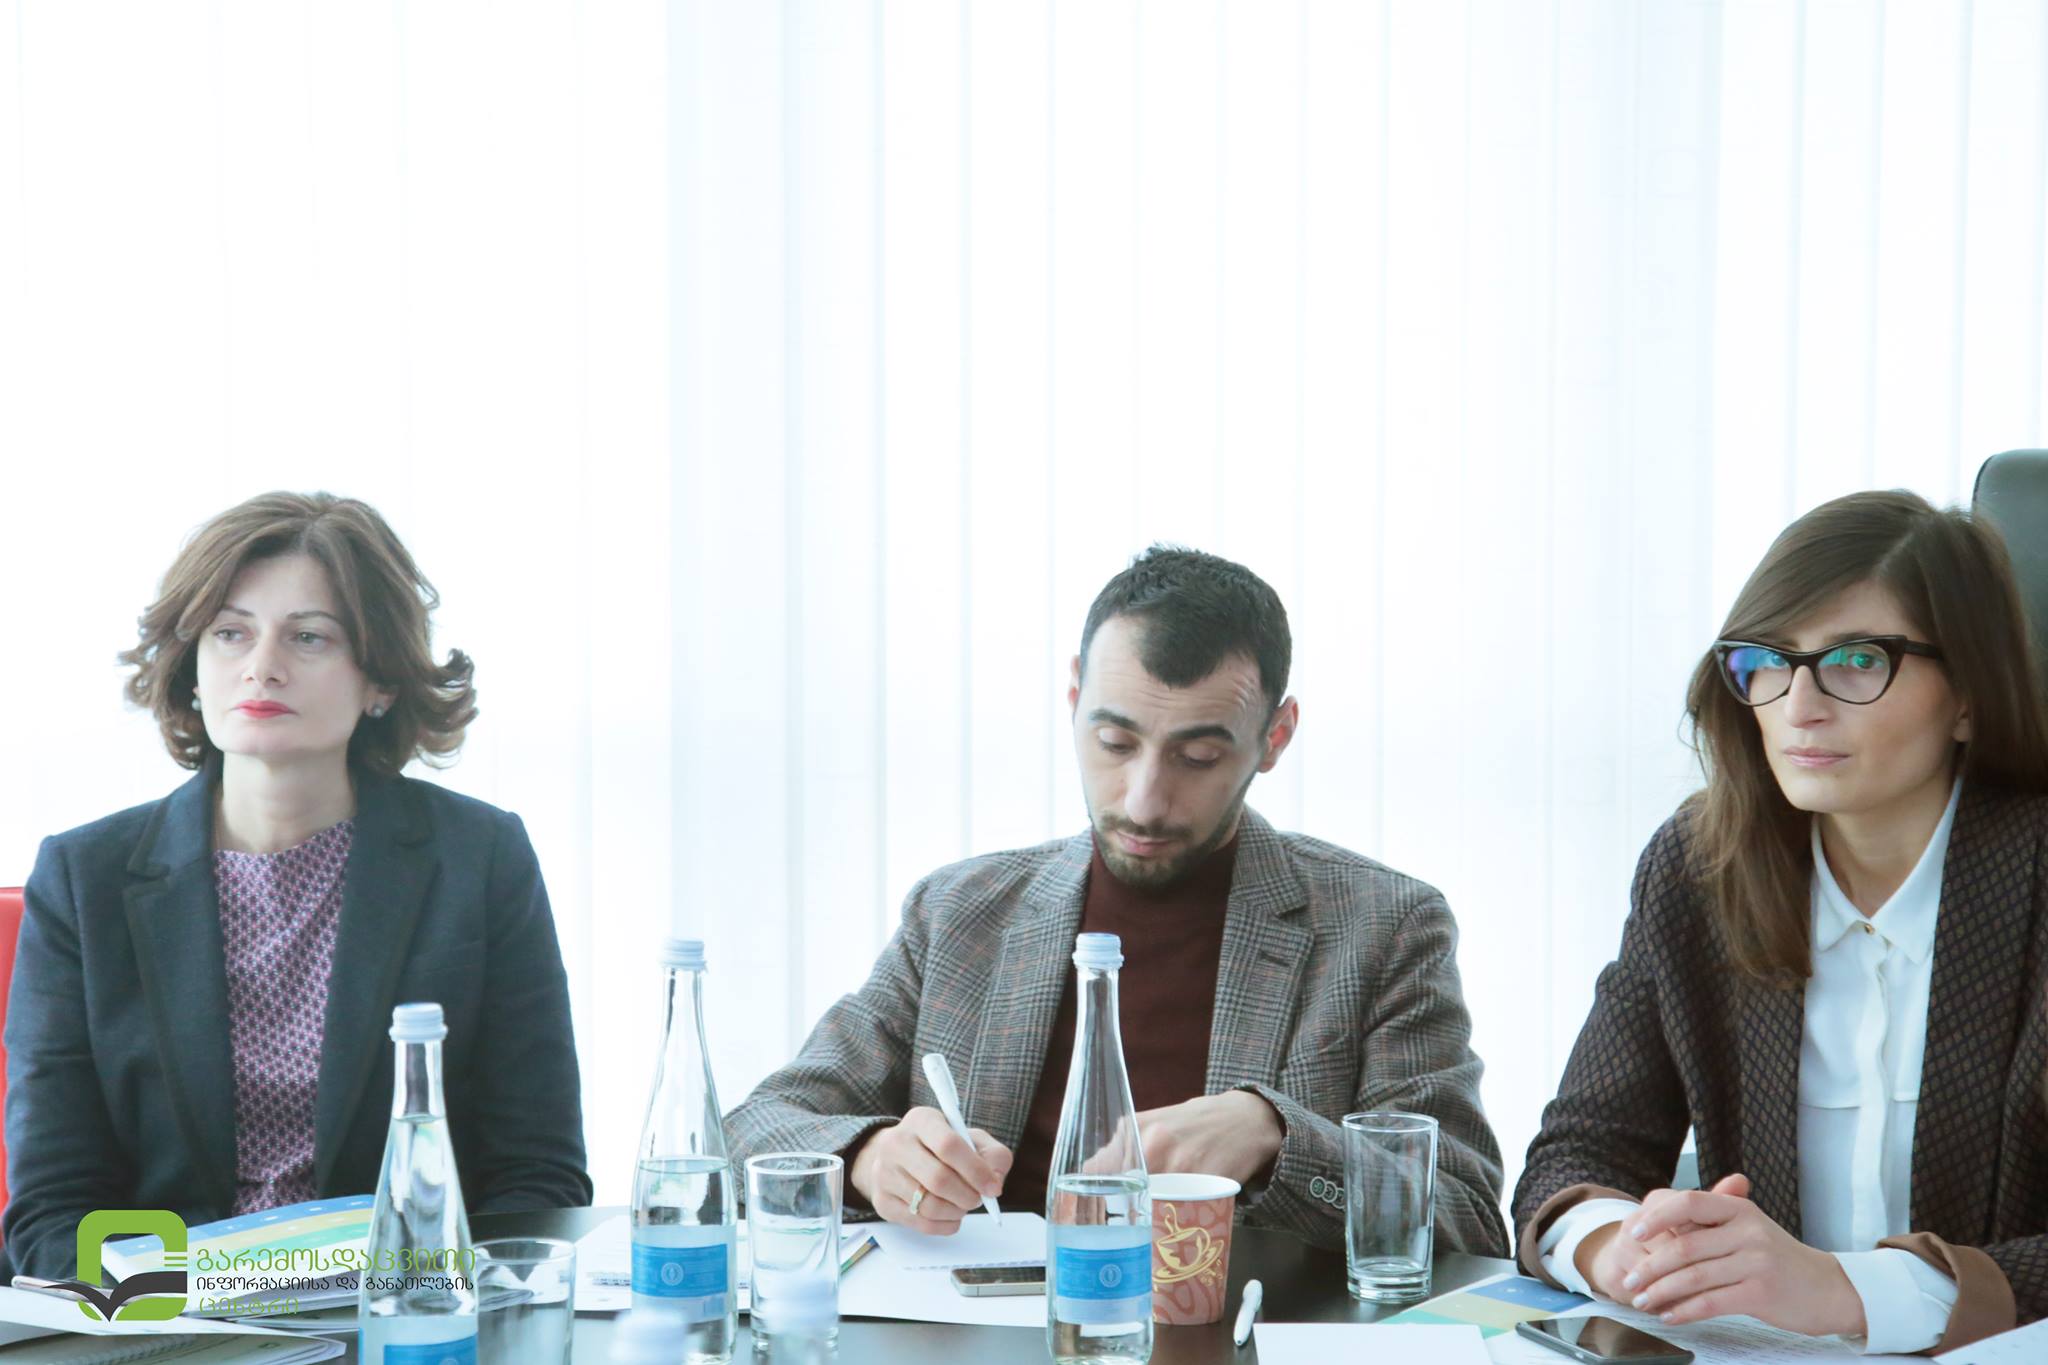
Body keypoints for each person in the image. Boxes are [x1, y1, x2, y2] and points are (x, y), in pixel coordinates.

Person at [727, 546, 1508, 1254]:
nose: (1143, 800)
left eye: (1198, 755)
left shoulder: (1382, 927)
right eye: (1115, 743)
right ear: (1073, 695)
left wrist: (1277, 1135)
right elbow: (750, 1131)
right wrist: (867, 1157)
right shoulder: (960, 914)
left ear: (1275, 736)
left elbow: (1468, 1215)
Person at [3, 492, 592, 1279]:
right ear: (192, 667)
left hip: (407, 1310)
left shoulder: (480, 858)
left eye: (308, 636)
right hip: (163, 1318)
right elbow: (53, 1207)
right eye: (231, 632)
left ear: (380, 680)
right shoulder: (84, 877)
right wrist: (200, 1299)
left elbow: (538, 1175)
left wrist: (435, 1301)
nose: (262, 665)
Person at [1514, 490, 2048, 1353]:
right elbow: (1579, 1151)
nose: (1799, 704)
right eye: (1768, 660)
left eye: (1857, 659)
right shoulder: (1698, 868)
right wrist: (1619, 1246)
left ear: (1967, 697)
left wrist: (1843, 1288)